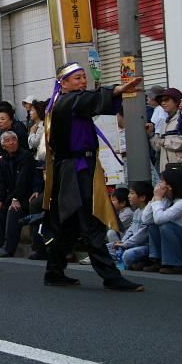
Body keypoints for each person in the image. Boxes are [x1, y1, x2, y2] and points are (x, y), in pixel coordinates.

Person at [42, 62, 144, 291]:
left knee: (69, 225)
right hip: (76, 170)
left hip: (77, 167)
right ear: (63, 83)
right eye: (76, 78)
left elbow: (90, 100)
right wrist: (116, 90)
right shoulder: (67, 102)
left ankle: (54, 272)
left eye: (83, 77)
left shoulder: (67, 103)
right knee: (93, 221)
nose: (82, 81)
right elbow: (90, 99)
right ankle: (111, 276)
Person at [143, 167, 182, 274]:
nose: (159, 184)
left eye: (162, 181)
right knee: (153, 225)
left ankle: (176, 264)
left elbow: (160, 219)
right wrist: (155, 199)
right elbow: (146, 219)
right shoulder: (168, 200)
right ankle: (157, 260)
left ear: (170, 186)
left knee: (166, 226)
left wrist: (158, 198)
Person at [0, 131, 35, 257]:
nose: (11, 142)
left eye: (14, 139)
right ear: (3, 146)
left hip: (26, 196)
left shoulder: (26, 157)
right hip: (11, 196)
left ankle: (9, 248)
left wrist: (15, 198)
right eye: (7, 141)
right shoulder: (3, 160)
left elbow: (23, 181)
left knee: (14, 210)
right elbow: (0, 183)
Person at [147, 87, 182, 173]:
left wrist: (163, 142)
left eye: (166, 100)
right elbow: (158, 147)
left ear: (177, 101)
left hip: (180, 170)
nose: (163, 103)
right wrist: (151, 134)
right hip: (166, 171)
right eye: (161, 101)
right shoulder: (165, 122)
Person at [115, 181, 154, 270]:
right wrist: (123, 242)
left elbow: (141, 235)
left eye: (132, 193)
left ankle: (144, 262)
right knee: (109, 248)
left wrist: (126, 244)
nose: (129, 196)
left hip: (145, 246)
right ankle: (136, 263)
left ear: (142, 197)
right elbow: (130, 230)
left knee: (127, 255)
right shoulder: (136, 212)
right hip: (132, 244)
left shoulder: (148, 212)